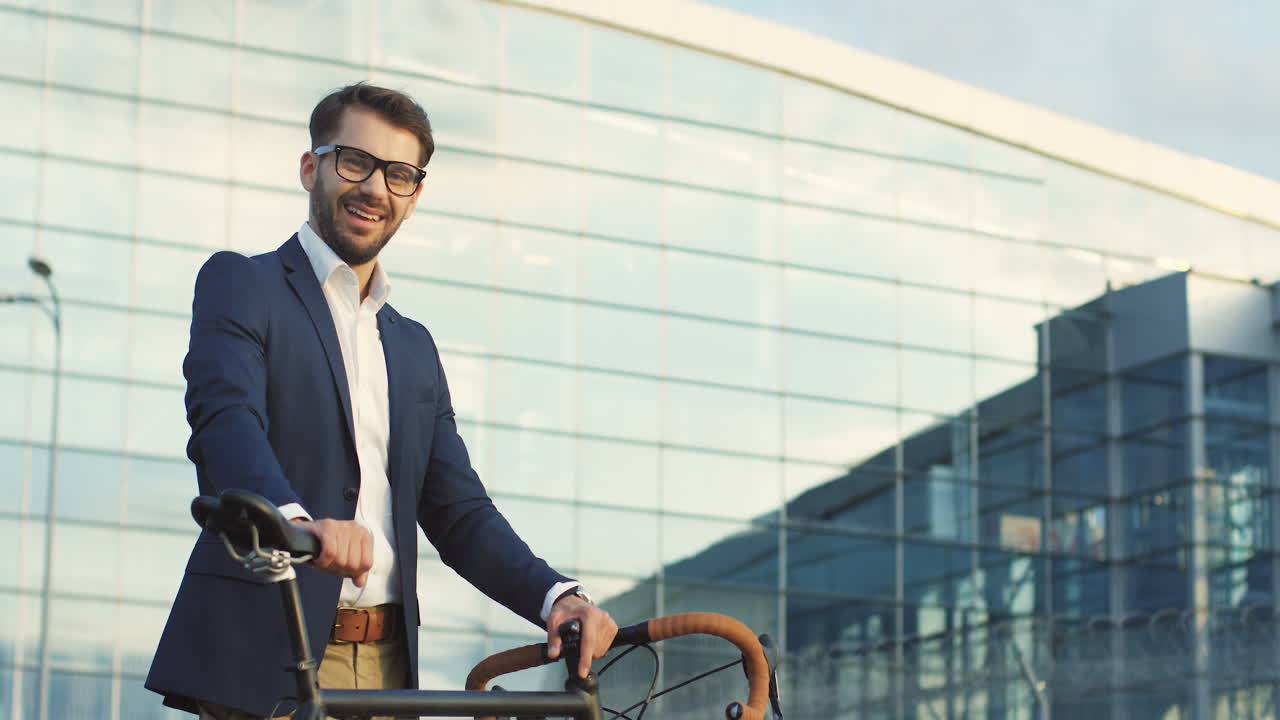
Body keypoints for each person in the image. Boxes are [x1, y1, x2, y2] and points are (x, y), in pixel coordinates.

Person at [145, 83, 617, 719]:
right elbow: (226, 423)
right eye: (354, 162)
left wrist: (555, 596)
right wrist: (297, 525)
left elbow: (457, 509)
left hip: (392, 667)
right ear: (311, 167)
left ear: (414, 196)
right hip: (274, 656)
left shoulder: (413, 346)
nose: (375, 188)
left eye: (398, 174)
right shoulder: (242, 283)